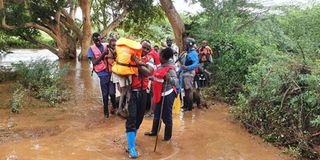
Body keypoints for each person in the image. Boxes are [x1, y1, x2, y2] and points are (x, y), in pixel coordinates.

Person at [125, 40, 154, 158]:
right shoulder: (130, 57)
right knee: (131, 119)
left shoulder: (150, 59)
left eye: (148, 49)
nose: (145, 50)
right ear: (139, 47)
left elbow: (147, 73)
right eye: (144, 47)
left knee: (139, 119)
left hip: (143, 93)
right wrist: (137, 62)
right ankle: (131, 147)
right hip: (132, 93)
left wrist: (137, 62)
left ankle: (131, 141)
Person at [144, 48, 178, 141]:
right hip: (159, 93)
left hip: (167, 94)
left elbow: (176, 82)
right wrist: (151, 77)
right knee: (157, 113)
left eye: (159, 55)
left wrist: (169, 79)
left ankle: (167, 137)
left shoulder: (171, 69)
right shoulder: (160, 66)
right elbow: (157, 77)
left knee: (166, 116)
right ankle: (154, 132)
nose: (158, 56)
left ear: (163, 57)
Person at [88, 32, 115, 118]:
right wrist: (103, 54)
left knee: (112, 93)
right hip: (102, 73)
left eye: (99, 40)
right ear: (93, 40)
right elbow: (94, 62)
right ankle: (106, 112)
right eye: (96, 40)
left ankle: (114, 107)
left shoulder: (106, 45)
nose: (98, 42)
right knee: (105, 94)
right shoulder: (91, 49)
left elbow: (115, 50)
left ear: (101, 39)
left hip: (111, 71)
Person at [179, 37, 199, 112]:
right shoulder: (188, 52)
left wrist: (187, 67)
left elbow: (196, 64)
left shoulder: (193, 53)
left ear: (189, 45)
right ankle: (186, 105)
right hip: (185, 73)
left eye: (185, 44)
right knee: (185, 90)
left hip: (189, 73)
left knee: (188, 90)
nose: (184, 45)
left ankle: (189, 107)